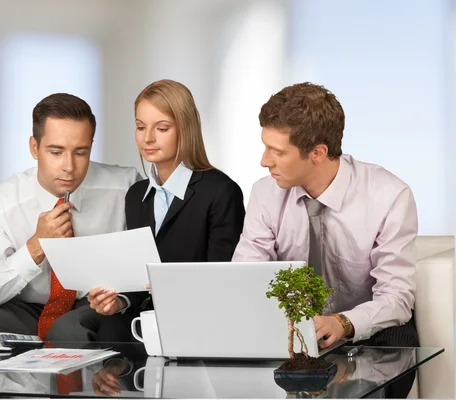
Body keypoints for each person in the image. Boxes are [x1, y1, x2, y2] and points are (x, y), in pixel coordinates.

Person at [232, 82, 418, 397]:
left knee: (400, 336)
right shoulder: (264, 193)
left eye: (278, 152)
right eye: (265, 147)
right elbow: (245, 276)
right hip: (289, 334)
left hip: (363, 334)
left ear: (318, 152)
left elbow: (397, 298)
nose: (265, 161)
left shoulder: (388, 195)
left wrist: (343, 322)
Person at [0, 93, 141, 341]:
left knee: (69, 329)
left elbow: (145, 262)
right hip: (29, 311)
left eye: (80, 152)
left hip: (93, 307)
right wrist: (36, 245)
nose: (69, 166)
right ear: (34, 148)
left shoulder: (126, 187)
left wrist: (118, 296)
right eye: (56, 152)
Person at [87, 79, 246, 338]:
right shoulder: (136, 195)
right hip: (148, 320)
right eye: (140, 127)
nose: (147, 138)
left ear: (186, 129)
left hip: (199, 320)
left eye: (162, 128)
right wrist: (119, 301)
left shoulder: (220, 191)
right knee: (108, 329)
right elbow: (138, 278)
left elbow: (224, 279)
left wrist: (172, 288)